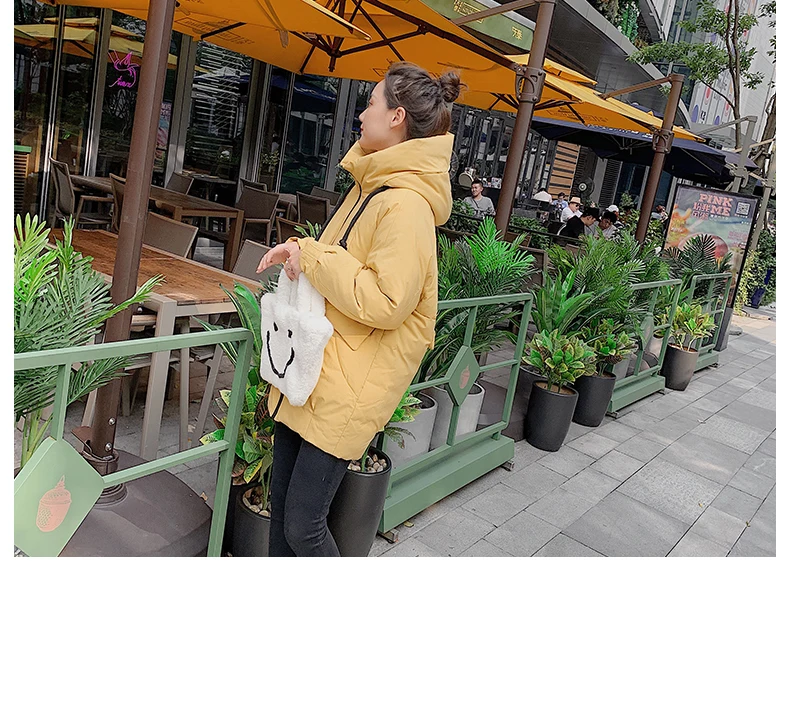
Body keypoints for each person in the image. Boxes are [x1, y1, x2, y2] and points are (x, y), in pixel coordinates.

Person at [255, 62, 462, 557]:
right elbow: (337, 266)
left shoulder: (406, 205)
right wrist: (301, 253)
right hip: (316, 372)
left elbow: (386, 300)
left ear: (396, 117)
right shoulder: (371, 187)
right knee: (283, 513)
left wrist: (313, 256)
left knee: (303, 526)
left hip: (348, 387)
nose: (361, 115)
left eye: (370, 104)